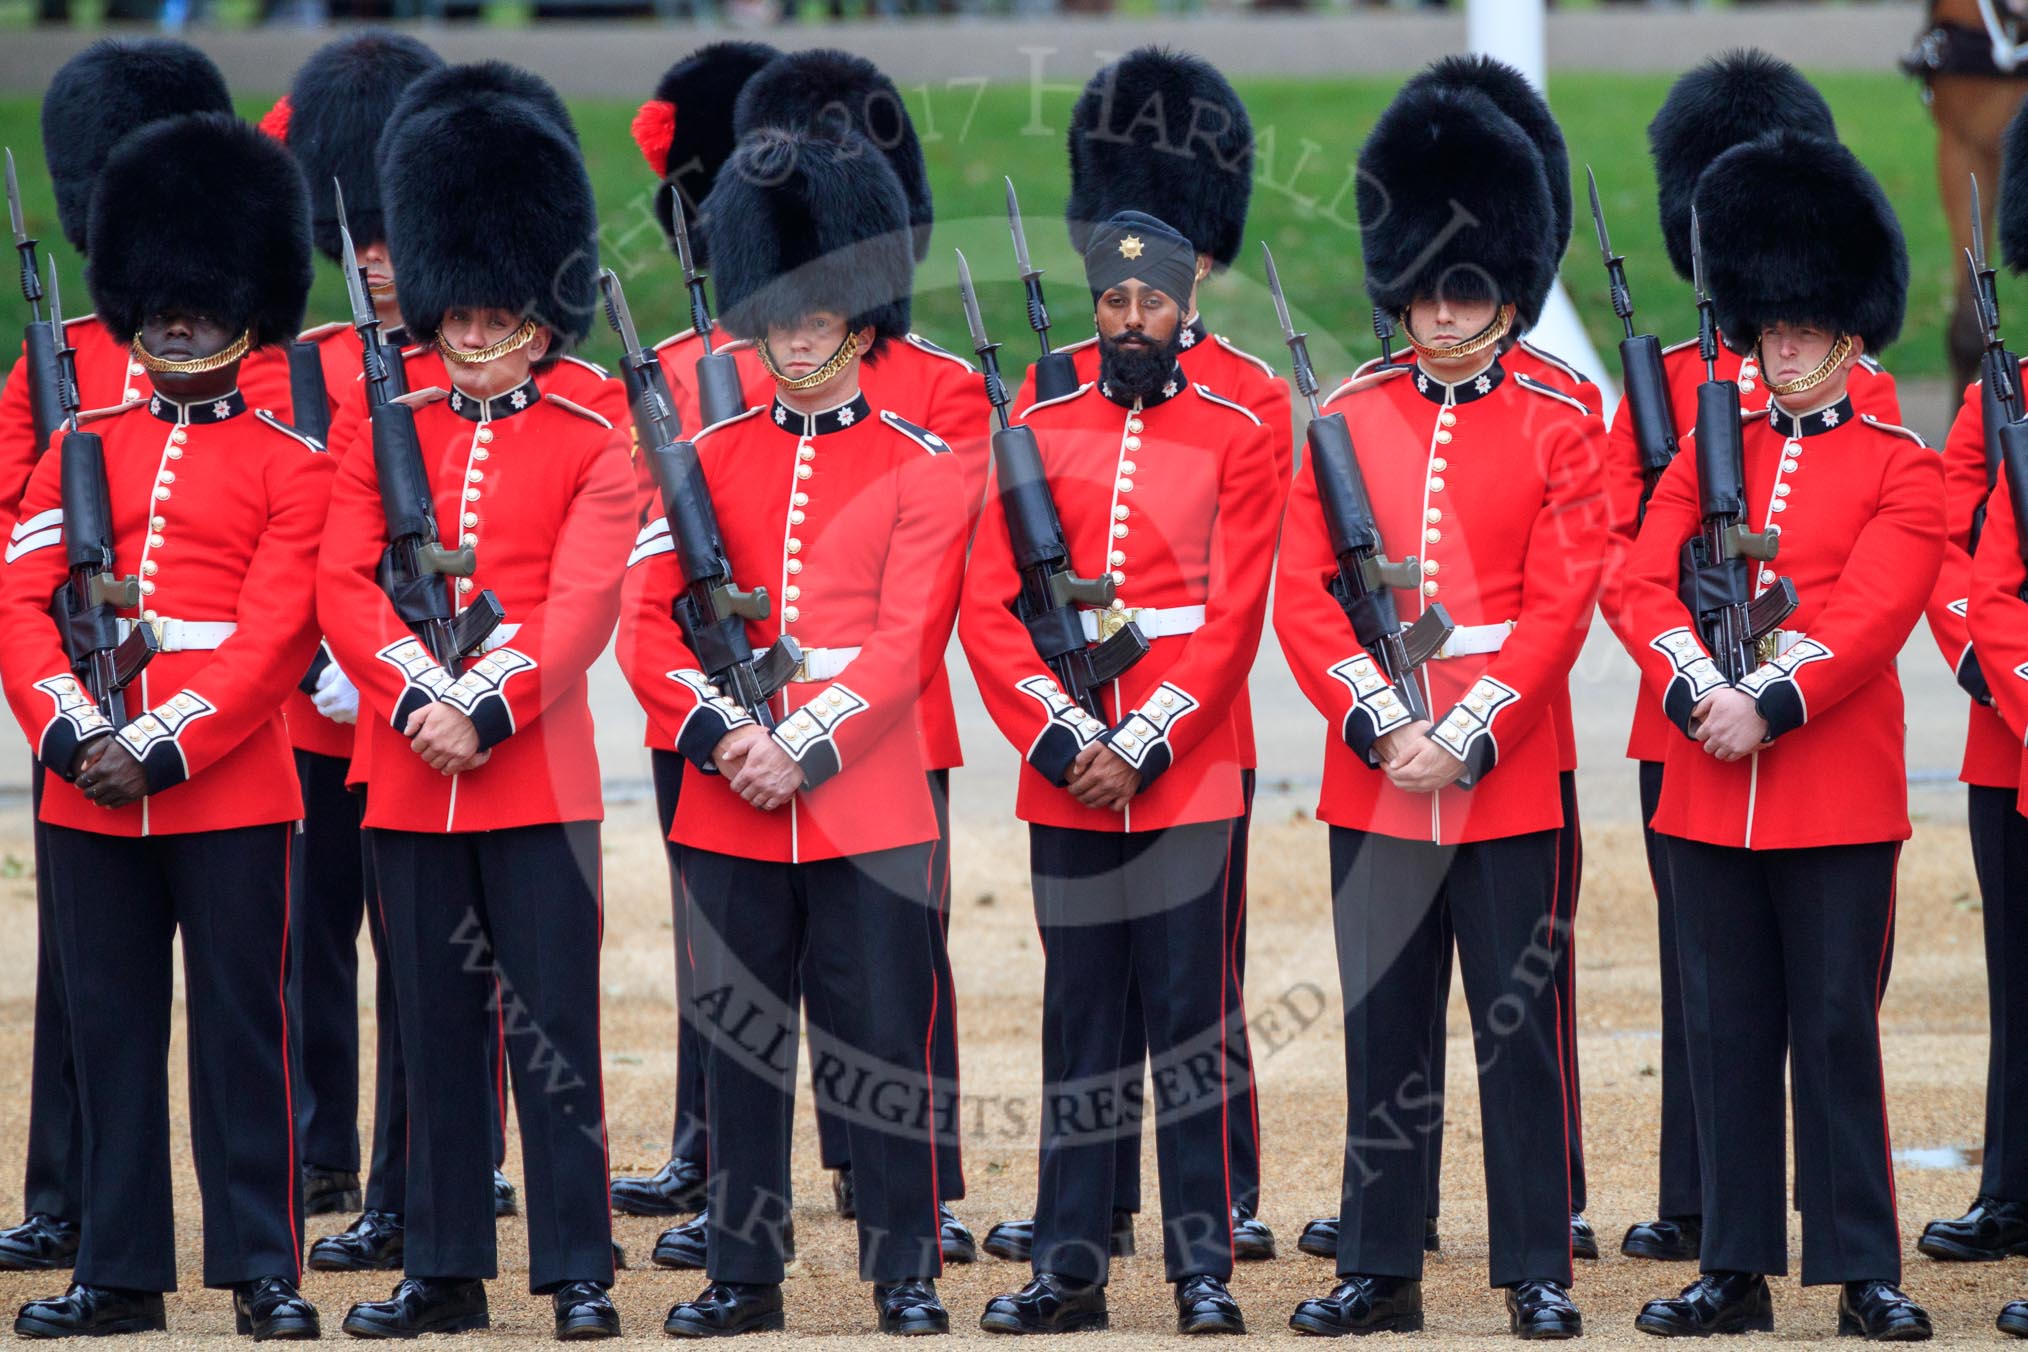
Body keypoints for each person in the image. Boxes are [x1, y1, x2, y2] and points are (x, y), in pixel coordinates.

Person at [633, 45, 986, 1269]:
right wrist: (724, 729)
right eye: (776, 313)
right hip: (731, 770)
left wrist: (808, 734)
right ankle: (741, 1255)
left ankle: (905, 1251)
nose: (795, 338)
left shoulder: (916, 432)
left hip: (869, 761)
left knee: (885, 1019)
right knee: (738, 1028)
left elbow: (909, 627)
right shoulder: (712, 442)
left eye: (818, 313)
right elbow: (647, 614)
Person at [1274, 79, 1602, 1341]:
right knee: (1386, 1029)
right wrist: (1380, 721)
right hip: (1376, 770)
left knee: (1516, 1027)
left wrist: (1466, 728)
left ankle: (1535, 1265)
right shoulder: (1349, 413)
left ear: (1509, 294)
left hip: (1509, 768)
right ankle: (1381, 1263)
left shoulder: (1560, 420)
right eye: (1427, 291)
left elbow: (1561, 603)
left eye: (1467, 292)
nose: (1445, 312)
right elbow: (1310, 600)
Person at [316, 62, 633, 1341]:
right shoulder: (376, 410)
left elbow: (583, 598)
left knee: (552, 1030)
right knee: (430, 1026)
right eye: (461, 316)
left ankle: (576, 1269)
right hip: (407, 770)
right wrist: (413, 694)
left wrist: (483, 704)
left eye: (499, 317)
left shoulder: (590, 421)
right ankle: (440, 1264)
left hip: (533, 771)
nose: (475, 336)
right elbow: (342, 577)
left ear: (540, 315)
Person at [0, 110, 328, 1339]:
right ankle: (119, 1269)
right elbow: (20, 599)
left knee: (245, 1036)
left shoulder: (296, 462)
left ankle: (263, 1266)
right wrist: (74, 729)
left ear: (248, 307)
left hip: (227, 785)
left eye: (201, 299)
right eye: (162, 301)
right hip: (84, 776)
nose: (178, 318)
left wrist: (163, 738)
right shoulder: (78, 444)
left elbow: (272, 636)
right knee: (108, 1031)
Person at [1623, 128, 1938, 1341]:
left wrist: (1772, 697)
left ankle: (1864, 1267)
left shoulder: (1900, 463)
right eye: (1772, 325)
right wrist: (1701, 683)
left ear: (1850, 332)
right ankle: (1736, 1267)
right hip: (1707, 782)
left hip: (1834, 795)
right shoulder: (1717, 450)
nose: (1787, 342)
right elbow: (1639, 584)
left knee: (1835, 1032)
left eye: (1806, 325)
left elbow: (1871, 611)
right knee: (1727, 1033)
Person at [985, 47, 1290, 1269]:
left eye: (1150, 289)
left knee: (1191, 1001)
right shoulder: (1042, 396)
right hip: (1068, 745)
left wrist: (1148, 731)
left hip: (1189, 745)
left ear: (1197, 271)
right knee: (1081, 1000)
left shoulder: (1248, 403)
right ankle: (1085, 1220)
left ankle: (1206, 1233)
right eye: (1111, 292)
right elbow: (995, 590)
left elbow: (1236, 603)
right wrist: (1068, 732)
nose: (1128, 311)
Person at [0, 41, 233, 1275]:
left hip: (209, 709)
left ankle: (282, 1190)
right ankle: (67, 1192)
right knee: (81, 976)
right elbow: (11, 521)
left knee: (249, 979)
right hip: (79, 707)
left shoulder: (238, 345)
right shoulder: (61, 356)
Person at [258, 27, 443, 1232]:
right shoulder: (304, 368)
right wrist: (324, 656)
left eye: (395, 237)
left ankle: (438, 1156)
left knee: (434, 956)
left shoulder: (462, 363)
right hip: (314, 706)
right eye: (359, 240)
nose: (376, 262)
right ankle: (323, 1143)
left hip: (428, 694)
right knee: (309, 936)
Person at [1916, 92, 2028, 1271]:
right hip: (2011, 723)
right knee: (2016, 972)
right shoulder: (2011, 394)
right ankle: (2011, 1186)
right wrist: (1984, 657)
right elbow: (1952, 528)